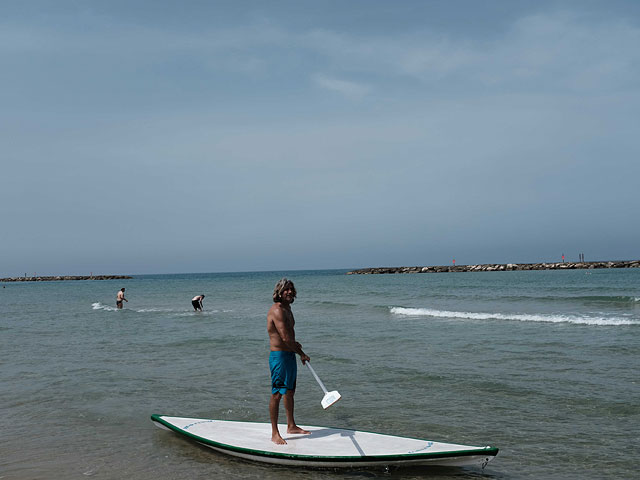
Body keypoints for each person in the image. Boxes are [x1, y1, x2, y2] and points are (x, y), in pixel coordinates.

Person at [267, 278, 310, 445]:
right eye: (286, 289)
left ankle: (291, 425)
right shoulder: (277, 310)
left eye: (291, 289)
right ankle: (274, 433)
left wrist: (295, 346)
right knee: (277, 393)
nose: (290, 292)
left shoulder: (288, 308)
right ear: (279, 292)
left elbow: (288, 335)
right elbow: (284, 338)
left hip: (289, 354)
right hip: (280, 357)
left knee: (290, 391)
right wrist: (302, 354)